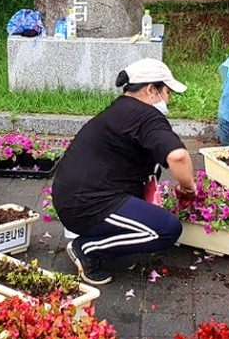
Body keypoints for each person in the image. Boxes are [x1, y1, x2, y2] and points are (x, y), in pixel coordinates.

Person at [52, 58, 198, 285]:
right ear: (152, 90)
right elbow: (178, 156)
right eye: (167, 92)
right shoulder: (146, 115)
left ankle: (96, 234)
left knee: (151, 202)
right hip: (89, 205)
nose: (168, 100)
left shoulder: (121, 109)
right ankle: (87, 249)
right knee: (166, 229)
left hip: (75, 197)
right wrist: (188, 188)